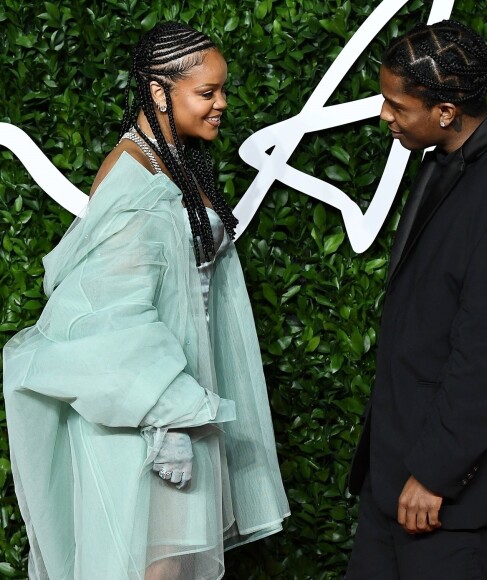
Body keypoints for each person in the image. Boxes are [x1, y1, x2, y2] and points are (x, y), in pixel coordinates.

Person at [3, 22, 289, 580]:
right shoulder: (133, 177)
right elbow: (108, 312)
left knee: (169, 568)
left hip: (178, 404)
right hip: (145, 419)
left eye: (221, 89)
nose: (222, 104)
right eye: (207, 93)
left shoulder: (174, 161)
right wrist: (169, 418)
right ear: (159, 93)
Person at [346, 20, 487, 579]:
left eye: (397, 104)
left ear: (445, 110)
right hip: (391, 479)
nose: (385, 115)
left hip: (442, 502)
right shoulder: (442, 160)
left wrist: (436, 472)